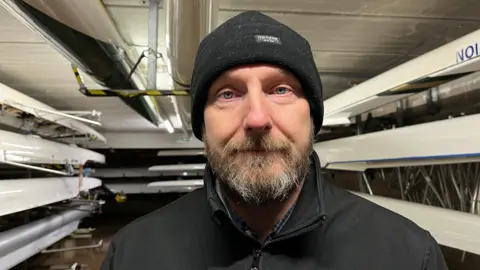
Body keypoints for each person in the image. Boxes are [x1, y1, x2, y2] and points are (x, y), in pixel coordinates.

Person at [100, 11, 448, 270]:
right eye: (228, 94)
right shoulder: (134, 254)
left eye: (281, 90)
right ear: (202, 124)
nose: (257, 119)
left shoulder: (408, 256)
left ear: (312, 117)